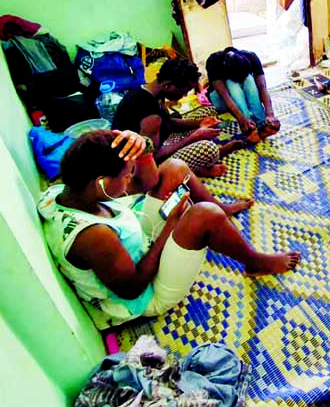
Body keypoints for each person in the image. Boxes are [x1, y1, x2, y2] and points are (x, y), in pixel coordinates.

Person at [37, 130, 298, 330]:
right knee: (204, 216)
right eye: (127, 175)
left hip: (135, 246)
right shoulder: (94, 236)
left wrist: (142, 146)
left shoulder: (63, 192)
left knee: (174, 168)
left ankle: (219, 209)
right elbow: (133, 289)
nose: (132, 179)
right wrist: (171, 225)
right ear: (102, 183)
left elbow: (148, 180)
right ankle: (254, 262)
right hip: (141, 298)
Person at [112, 58, 241, 178]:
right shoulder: (151, 116)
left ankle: (201, 163)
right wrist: (194, 137)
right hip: (143, 167)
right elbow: (153, 157)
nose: (184, 95)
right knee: (208, 149)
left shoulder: (152, 91)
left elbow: (169, 123)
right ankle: (200, 167)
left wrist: (200, 123)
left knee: (208, 112)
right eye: (184, 91)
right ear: (168, 85)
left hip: (160, 140)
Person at [206, 47, 280, 144]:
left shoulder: (251, 57)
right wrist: (241, 118)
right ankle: (249, 125)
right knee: (232, 84)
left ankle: (261, 122)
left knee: (249, 79)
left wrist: (270, 114)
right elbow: (225, 96)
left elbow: (262, 87)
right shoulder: (214, 62)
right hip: (220, 99)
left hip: (239, 96)